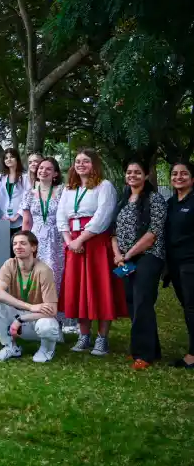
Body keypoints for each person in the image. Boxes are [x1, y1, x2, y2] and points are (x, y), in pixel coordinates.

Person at [56, 149, 126, 356]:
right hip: (74, 244)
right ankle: (84, 335)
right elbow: (61, 216)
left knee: (100, 288)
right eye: (78, 161)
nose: (80, 165)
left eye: (85, 161)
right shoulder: (69, 189)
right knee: (78, 289)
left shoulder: (104, 186)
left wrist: (80, 239)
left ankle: (102, 338)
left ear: (94, 164)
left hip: (95, 243)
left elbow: (103, 216)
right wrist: (70, 242)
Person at [111, 159, 167, 370]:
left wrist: (128, 255)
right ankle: (151, 349)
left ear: (146, 175)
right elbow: (113, 232)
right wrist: (118, 255)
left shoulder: (155, 199)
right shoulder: (123, 199)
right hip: (126, 259)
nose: (132, 175)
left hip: (148, 257)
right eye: (129, 172)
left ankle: (143, 353)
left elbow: (152, 235)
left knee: (143, 300)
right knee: (131, 300)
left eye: (137, 172)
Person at [0, 231, 60, 362]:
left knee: (47, 325)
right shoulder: (10, 264)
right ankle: (10, 346)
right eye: (15, 243)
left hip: (37, 320)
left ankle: (47, 349)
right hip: (22, 314)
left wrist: (21, 319)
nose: (18, 246)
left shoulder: (44, 270)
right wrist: (30, 307)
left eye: (23, 243)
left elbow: (52, 310)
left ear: (33, 247)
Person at [21, 157, 65, 292]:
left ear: (55, 173)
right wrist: (23, 243)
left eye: (48, 169)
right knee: (36, 271)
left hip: (57, 238)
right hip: (36, 238)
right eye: (41, 168)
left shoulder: (62, 192)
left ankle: (55, 303)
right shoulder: (29, 194)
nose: (43, 171)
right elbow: (27, 221)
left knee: (55, 272)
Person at [166, 161, 194, 370]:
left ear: (192, 179)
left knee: (192, 307)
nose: (178, 177)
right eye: (175, 174)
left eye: (184, 174)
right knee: (187, 306)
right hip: (174, 263)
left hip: (190, 262)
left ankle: (192, 355)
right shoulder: (171, 203)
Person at [0, 148, 26, 244]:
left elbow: (27, 199)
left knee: (17, 246)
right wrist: (1, 215)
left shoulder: (24, 177)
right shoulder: (1, 177)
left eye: (12, 157)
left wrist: (17, 216)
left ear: (17, 159)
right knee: (4, 248)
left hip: (19, 220)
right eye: (6, 158)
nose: (9, 159)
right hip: (3, 219)